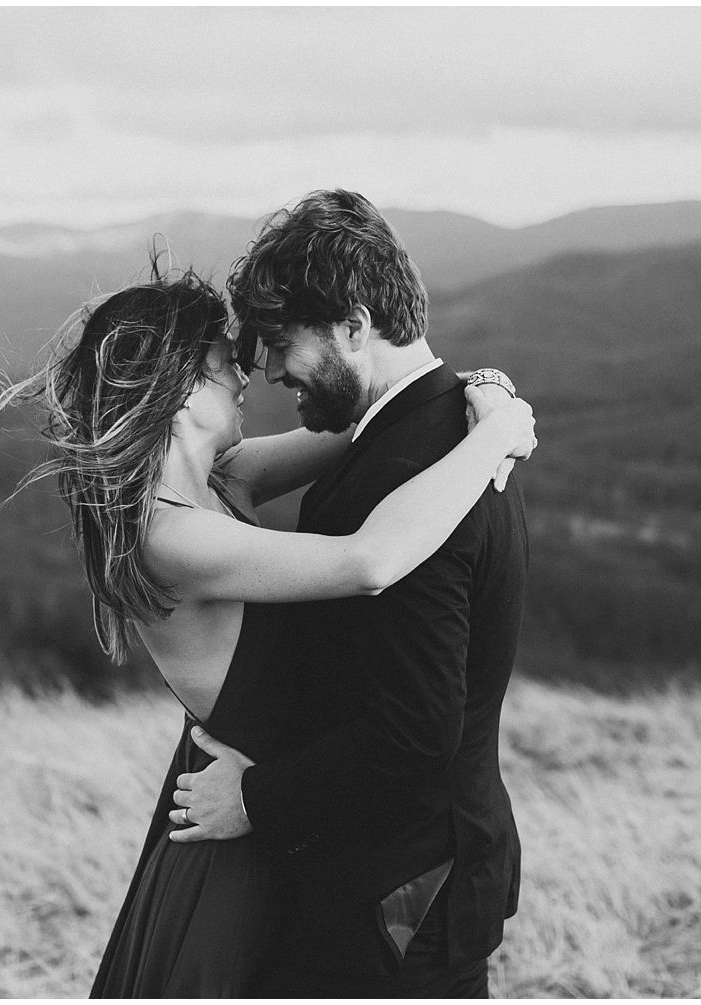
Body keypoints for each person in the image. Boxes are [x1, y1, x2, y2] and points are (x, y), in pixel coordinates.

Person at [0, 258, 535, 996]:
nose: (246, 377)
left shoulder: (226, 478)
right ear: (182, 388)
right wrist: (497, 436)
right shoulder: (166, 535)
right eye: (226, 364)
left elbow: (376, 427)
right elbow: (369, 560)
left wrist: (481, 390)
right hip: (242, 828)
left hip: (287, 809)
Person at [170, 190, 531, 996]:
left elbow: (414, 730)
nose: (267, 370)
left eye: (280, 343)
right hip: (388, 876)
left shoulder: (417, 472)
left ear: (354, 326)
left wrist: (254, 796)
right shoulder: (446, 435)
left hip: (398, 892)